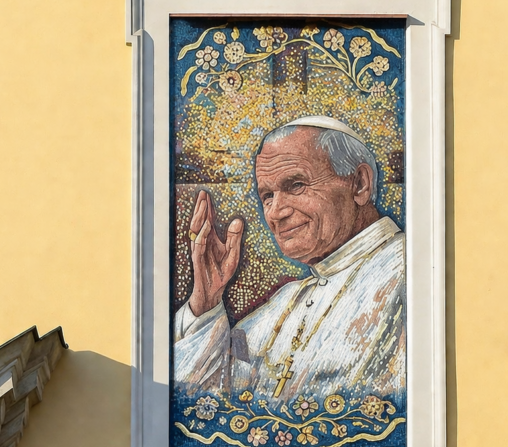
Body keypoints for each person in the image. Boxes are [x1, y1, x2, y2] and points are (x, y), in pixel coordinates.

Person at [173, 116, 405, 405]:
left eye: (296, 185)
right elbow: (202, 400)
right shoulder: (285, 303)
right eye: (267, 195)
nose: (275, 213)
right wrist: (205, 302)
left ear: (358, 184)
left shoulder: (411, 273)